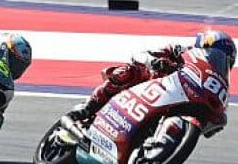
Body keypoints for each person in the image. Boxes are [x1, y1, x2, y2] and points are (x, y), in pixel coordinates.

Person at [66, 30, 235, 137]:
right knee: (128, 72)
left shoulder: (212, 81)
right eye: (212, 52)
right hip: (146, 88)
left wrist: (215, 120)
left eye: (222, 59)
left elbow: (209, 130)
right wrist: (155, 62)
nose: (214, 59)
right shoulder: (179, 51)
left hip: (173, 100)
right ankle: (88, 107)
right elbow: (140, 55)